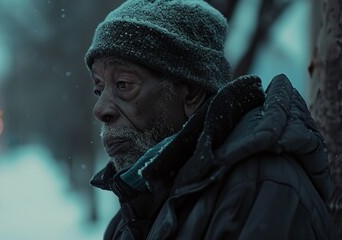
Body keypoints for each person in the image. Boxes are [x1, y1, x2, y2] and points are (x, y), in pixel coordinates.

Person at [84, 0, 336, 239]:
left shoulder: (261, 189)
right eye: (99, 89)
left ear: (191, 92)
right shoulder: (131, 215)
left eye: (123, 84)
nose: (100, 109)